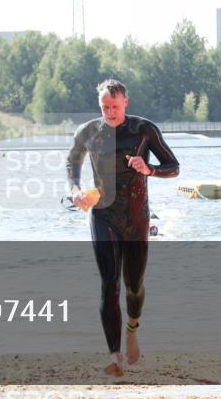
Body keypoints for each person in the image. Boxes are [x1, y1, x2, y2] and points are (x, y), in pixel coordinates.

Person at [67, 78, 180, 376]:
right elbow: (72, 162)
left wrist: (150, 169)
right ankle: (115, 356)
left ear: (125, 102)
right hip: (103, 214)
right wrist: (76, 188)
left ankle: (132, 329)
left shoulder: (144, 130)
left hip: (136, 217)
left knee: (133, 286)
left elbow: (173, 166)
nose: (110, 113)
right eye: (105, 107)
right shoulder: (88, 132)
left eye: (115, 107)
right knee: (109, 283)